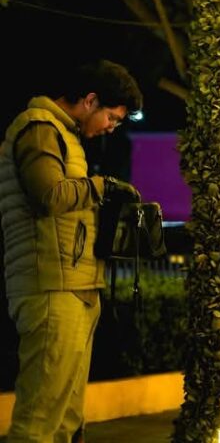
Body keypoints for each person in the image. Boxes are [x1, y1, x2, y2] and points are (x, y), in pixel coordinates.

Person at [0, 59, 142, 443]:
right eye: (112, 118)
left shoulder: (65, 136)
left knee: (66, 419)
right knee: (40, 421)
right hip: (51, 287)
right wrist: (102, 187)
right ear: (90, 100)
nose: (111, 127)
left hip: (75, 286)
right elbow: (49, 195)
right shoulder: (39, 128)